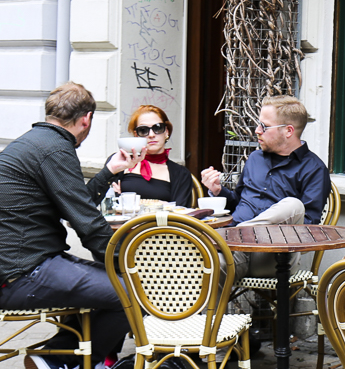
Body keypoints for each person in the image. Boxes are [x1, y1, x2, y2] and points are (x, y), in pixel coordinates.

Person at [0, 82, 139, 369]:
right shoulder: (56, 150)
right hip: (22, 275)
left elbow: (73, 207)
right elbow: (88, 225)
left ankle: (67, 362)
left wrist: (107, 172)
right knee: (130, 292)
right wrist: (124, 266)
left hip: (10, 270)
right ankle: (60, 360)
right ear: (86, 119)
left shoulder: (37, 143)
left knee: (107, 284)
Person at [199, 95, 330, 281]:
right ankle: (210, 312)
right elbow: (238, 201)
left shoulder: (314, 168)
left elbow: (308, 227)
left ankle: (233, 235)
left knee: (293, 205)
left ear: (288, 131)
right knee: (205, 266)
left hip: (273, 256)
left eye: (265, 126)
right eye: (259, 124)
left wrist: (242, 234)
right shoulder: (255, 159)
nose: (257, 130)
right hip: (233, 253)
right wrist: (219, 191)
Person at [104, 105, 194, 206]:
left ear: (166, 132)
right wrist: (162, 204)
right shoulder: (120, 163)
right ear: (136, 135)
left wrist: (127, 201)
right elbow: (108, 204)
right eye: (143, 130)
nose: (151, 135)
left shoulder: (180, 173)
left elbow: (181, 214)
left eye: (158, 128)